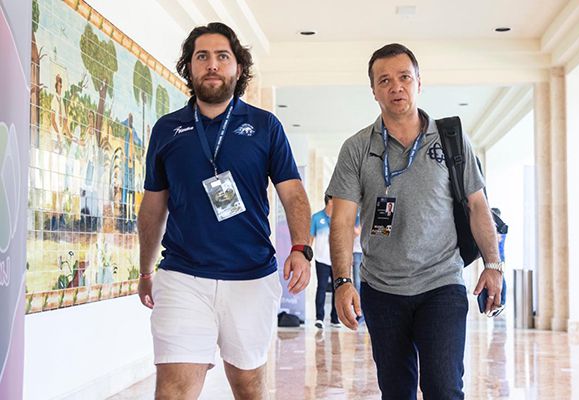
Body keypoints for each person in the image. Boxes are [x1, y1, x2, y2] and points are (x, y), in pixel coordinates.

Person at [137, 22, 312, 399]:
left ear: (238, 68)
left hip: (251, 277)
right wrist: (144, 269)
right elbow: (153, 208)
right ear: (189, 67)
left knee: (248, 386)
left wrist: (301, 248)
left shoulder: (265, 126)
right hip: (183, 275)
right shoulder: (168, 130)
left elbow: (293, 193)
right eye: (202, 56)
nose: (212, 64)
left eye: (222, 56)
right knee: (174, 388)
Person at [326, 43, 503, 399]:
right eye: (385, 80)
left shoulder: (451, 139)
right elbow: (342, 220)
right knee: (396, 391)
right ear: (373, 90)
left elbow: (478, 204)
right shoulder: (357, 148)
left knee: (443, 388)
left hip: (442, 282)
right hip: (382, 290)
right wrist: (343, 280)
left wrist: (493, 263)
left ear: (419, 83)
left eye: (404, 77)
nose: (396, 87)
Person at [310, 195, 340, 329]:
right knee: (321, 288)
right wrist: (307, 257)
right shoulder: (317, 217)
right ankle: (319, 318)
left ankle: (335, 318)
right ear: (328, 202)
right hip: (321, 259)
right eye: (334, 202)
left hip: (336, 260)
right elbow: (310, 237)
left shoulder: (339, 219)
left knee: (337, 289)